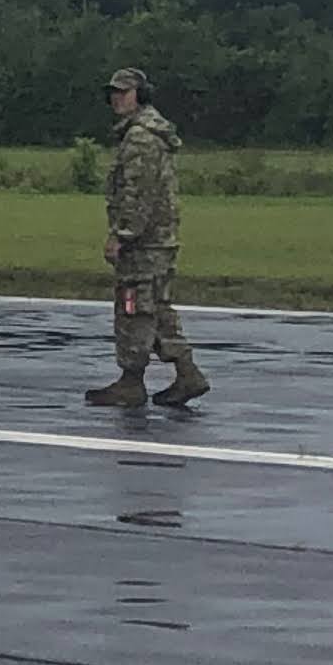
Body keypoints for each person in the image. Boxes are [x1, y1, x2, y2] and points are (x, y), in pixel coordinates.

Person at [88, 66, 207, 411]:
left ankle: (131, 381)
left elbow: (138, 195)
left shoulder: (139, 138)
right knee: (155, 308)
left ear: (140, 95)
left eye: (123, 92)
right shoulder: (149, 133)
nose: (116, 99)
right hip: (159, 240)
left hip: (144, 243)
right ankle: (187, 372)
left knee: (133, 308)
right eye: (113, 92)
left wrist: (121, 235)